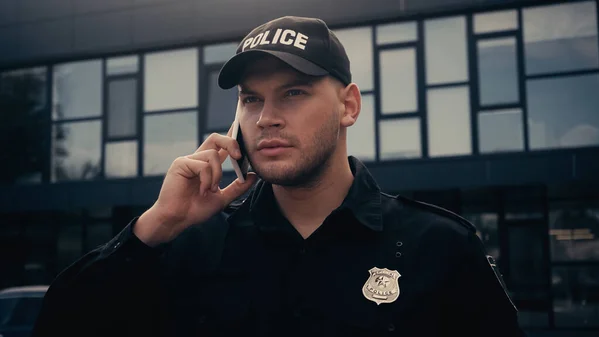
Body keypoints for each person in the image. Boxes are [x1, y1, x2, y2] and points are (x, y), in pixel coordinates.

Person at [31, 16, 525, 337]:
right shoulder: (191, 244)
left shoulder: (437, 246)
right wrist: (154, 227)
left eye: (293, 93)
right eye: (251, 99)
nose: (266, 116)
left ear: (348, 105)